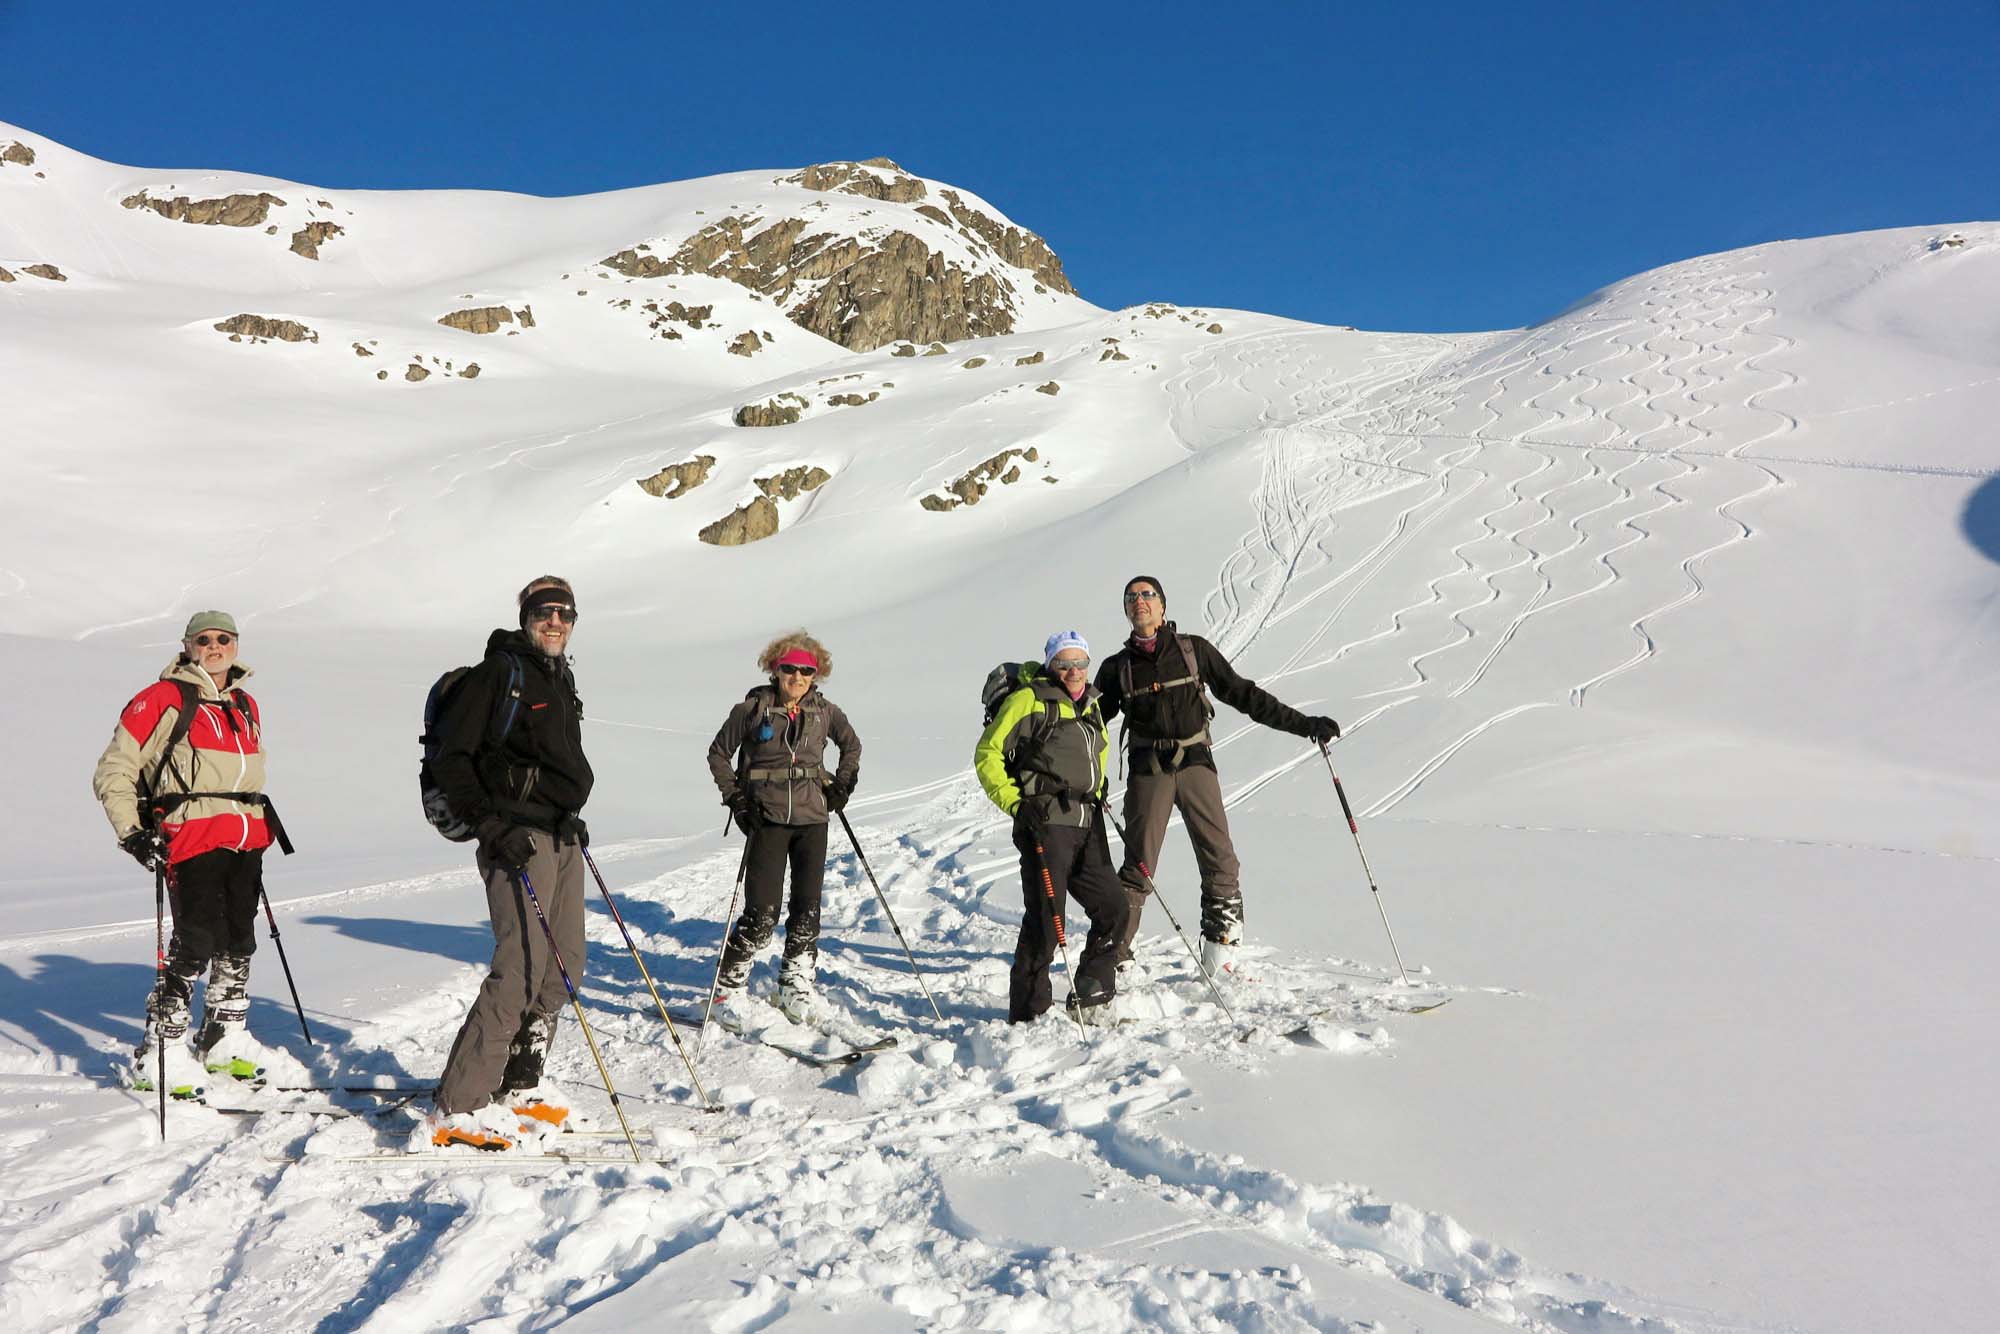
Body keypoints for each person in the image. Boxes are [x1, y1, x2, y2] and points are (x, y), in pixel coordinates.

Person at [1095, 576, 1338, 979]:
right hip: (1148, 771)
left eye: (1148, 594)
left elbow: (1244, 695)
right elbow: (1089, 727)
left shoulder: (1193, 651)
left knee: (1220, 860)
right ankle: (1114, 957)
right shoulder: (1116, 668)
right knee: (1138, 869)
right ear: (1126, 610)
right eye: (1131, 597)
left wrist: (1304, 724)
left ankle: (1221, 956)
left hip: (1195, 765)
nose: (1140, 601)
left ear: (1162, 606)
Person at [428, 576, 594, 1149]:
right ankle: (460, 1106)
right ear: (526, 617)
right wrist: (491, 825)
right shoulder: (500, 673)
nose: (555, 621)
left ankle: (519, 1083)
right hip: (514, 838)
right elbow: (453, 758)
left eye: (565, 613)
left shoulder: (558, 676)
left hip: (558, 834)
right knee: (520, 967)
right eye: (544, 611)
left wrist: (566, 812)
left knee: (564, 965)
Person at [92, 611, 279, 1094]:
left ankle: (223, 1037)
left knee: (238, 940)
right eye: (204, 639)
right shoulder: (164, 697)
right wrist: (132, 833)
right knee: (195, 940)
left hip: (245, 835)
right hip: (191, 835)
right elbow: (115, 768)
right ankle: (162, 1048)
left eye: (224, 638)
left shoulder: (244, 704)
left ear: (236, 644)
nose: (215, 646)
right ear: (188, 645)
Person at [706, 632, 861, 1025]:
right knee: (761, 914)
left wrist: (842, 785)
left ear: (816, 675)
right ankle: (727, 991)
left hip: (813, 820)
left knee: (807, 910)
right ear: (774, 669)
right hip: (767, 819)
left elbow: (852, 746)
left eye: (807, 671)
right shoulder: (752, 709)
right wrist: (737, 800)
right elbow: (718, 754)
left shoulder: (825, 712)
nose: (798, 676)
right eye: (789, 668)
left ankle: (795, 984)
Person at [974, 631, 1127, 1024]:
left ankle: (1092, 991)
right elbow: (988, 752)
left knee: (1114, 907)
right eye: (1063, 663)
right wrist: (1015, 803)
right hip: (1044, 822)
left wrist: (1098, 786)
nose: (1073, 671)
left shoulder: (1091, 704)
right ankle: (1029, 1013)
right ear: (1050, 665)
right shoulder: (1029, 700)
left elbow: (1098, 751)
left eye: (1080, 663)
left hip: (1087, 821)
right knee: (1046, 917)